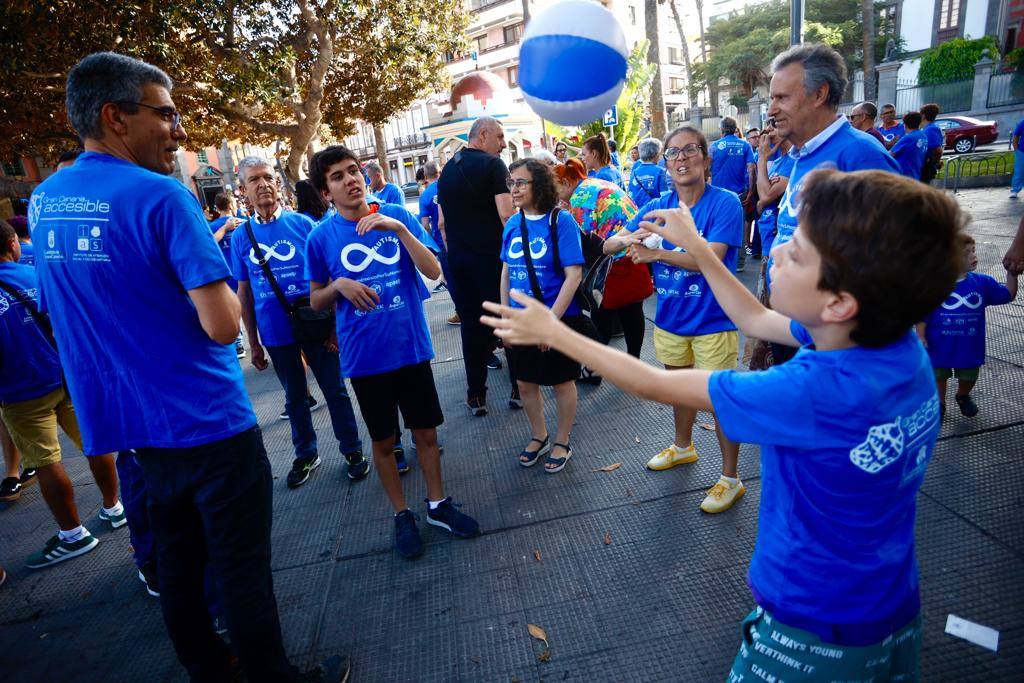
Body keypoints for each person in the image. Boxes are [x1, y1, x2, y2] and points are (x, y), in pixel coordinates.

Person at [481, 168, 962, 682]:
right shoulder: (895, 347)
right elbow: (754, 318)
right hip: (890, 605)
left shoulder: (815, 390)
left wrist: (558, 332)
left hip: (815, 626)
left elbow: (653, 383)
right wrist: (696, 247)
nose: (776, 250)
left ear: (839, 303)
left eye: (797, 252)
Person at [31, 52, 349, 682]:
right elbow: (223, 324)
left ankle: (210, 667)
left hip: (131, 422)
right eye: (165, 114)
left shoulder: (45, 200)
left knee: (177, 562)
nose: (177, 130)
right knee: (239, 566)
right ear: (115, 116)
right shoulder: (164, 197)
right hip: (206, 420)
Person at [307, 144, 480, 559]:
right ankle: (402, 514)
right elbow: (314, 300)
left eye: (353, 170)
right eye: (337, 176)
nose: (350, 180)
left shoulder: (397, 215)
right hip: (365, 357)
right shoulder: (320, 237)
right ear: (326, 192)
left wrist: (399, 229)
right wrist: (338, 286)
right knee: (384, 442)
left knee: (426, 433)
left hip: (410, 347)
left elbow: (434, 270)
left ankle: (437, 505)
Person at [615, 125, 746, 513]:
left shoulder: (725, 203)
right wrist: (627, 239)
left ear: (706, 158)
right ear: (665, 163)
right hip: (671, 318)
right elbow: (611, 243)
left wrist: (656, 253)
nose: (681, 158)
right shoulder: (659, 206)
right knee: (679, 390)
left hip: (714, 319)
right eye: (673, 152)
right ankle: (683, 447)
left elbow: (710, 259)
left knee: (720, 399)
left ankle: (731, 478)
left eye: (690, 150)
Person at [231, 155, 368, 488]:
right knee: (294, 397)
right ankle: (306, 453)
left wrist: (335, 328)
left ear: (278, 184)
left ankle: (352, 449)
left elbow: (329, 277)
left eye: (268, 177)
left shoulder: (304, 226)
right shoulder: (240, 236)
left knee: (335, 390)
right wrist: (253, 342)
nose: (263, 184)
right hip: (275, 332)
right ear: (243, 190)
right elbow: (244, 293)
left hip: (316, 324)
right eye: (254, 180)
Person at [0, 221, 125, 568]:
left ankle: (73, 534)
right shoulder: (35, 275)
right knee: (93, 443)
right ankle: (114, 507)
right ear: (12, 245)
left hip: (20, 393)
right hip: (66, 376)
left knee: (44, 462)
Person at [766, 43, 900, 364]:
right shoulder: (803, 153)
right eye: (771, 99)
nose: (771, 110)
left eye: (781, 98)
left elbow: (896, 254)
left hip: (835, 343)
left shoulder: (859, 154)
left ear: (819, 94)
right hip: (796, 327)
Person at [501, 159, 584, 473]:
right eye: (511, 182)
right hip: (521, 320)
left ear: (540, 185)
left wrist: (550, 323)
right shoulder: (512, 223)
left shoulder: (561, 221)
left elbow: (573, 276)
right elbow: (506, 273)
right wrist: (505, 318)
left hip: (557, 317)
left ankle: (562, 440)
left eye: (521, 182)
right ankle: (540, 435)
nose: (514, 189)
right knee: (525, 383)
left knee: (562, 382)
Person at [436, 116, 517, 415]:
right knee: (507, 320)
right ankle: (519, 388)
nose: (504, 144)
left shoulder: (447, 170)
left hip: (460, 261)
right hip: (493, 261)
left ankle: (476, 395)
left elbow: (442, 223)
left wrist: (455, 253)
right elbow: (506, 215)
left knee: (471, 326)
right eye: (500, 136)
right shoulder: (494, 165)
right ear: (482, 135)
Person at [918, 234, 1018, 418]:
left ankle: (963, 395)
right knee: (938, 375)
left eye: (973, 250)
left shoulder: (982, 283)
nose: (973, 256)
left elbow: (1008, 295)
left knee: (969, 375)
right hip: (939, 344)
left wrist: (1012, 274)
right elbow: (922, 313)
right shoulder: (934, 286)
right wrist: (921, 335)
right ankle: (939, 402)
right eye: (966, 253)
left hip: (968, 346)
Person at [556, 158, 646, 359]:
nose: (555, 196)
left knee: (601, 312)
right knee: (631, 312)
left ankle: (596, 364)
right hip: (633, 250)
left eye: (555, 190)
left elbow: (585, 239)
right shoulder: (594, 182)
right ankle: (634, 360)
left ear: (565, 183)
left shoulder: (580, 197)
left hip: (613, 259)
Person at [709, 117, 755, 272]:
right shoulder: (745, 145)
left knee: (717, 225)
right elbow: (751, 168)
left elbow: (706, 170)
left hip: (717, 194)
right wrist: (751, 191)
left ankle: (718, 258)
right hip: (739, 193)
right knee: (739, 227)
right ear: (736, 129)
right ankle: (739, 262)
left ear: (721, 130)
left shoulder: (714, 146)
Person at [207, 192, 246, 359]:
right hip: (244, 274)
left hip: (227, 276)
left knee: (232, 312)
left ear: (217, 207)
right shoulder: (243, 223)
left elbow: (207, 246)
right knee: (253, 307)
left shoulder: (211, 226)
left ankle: (239, 345)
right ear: (231, 205)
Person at [627, 137, 670, 209]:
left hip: (639, 212)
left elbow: (630, 195)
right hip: (655, 212)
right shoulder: (660, 171)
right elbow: (665, 196)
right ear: (655, 154)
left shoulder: (635, 172)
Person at [891, 112, 929, 181]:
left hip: (904, 174)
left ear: (905, 125)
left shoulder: (908, 138)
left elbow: (891, 154)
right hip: (916, 173)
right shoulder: (923, 135)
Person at [920, 102, 944, 184]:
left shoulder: (931, 129)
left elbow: (938, 149)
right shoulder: (928, 128)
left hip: (927, 167)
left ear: (923, 116)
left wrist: (935, 163)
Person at [1011, 115, 1024, 199]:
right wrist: (1017, 150)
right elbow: (1015, 136)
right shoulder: (1022, 123)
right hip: (1022, 152)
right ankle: (1015, 190)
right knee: (1019, 171)